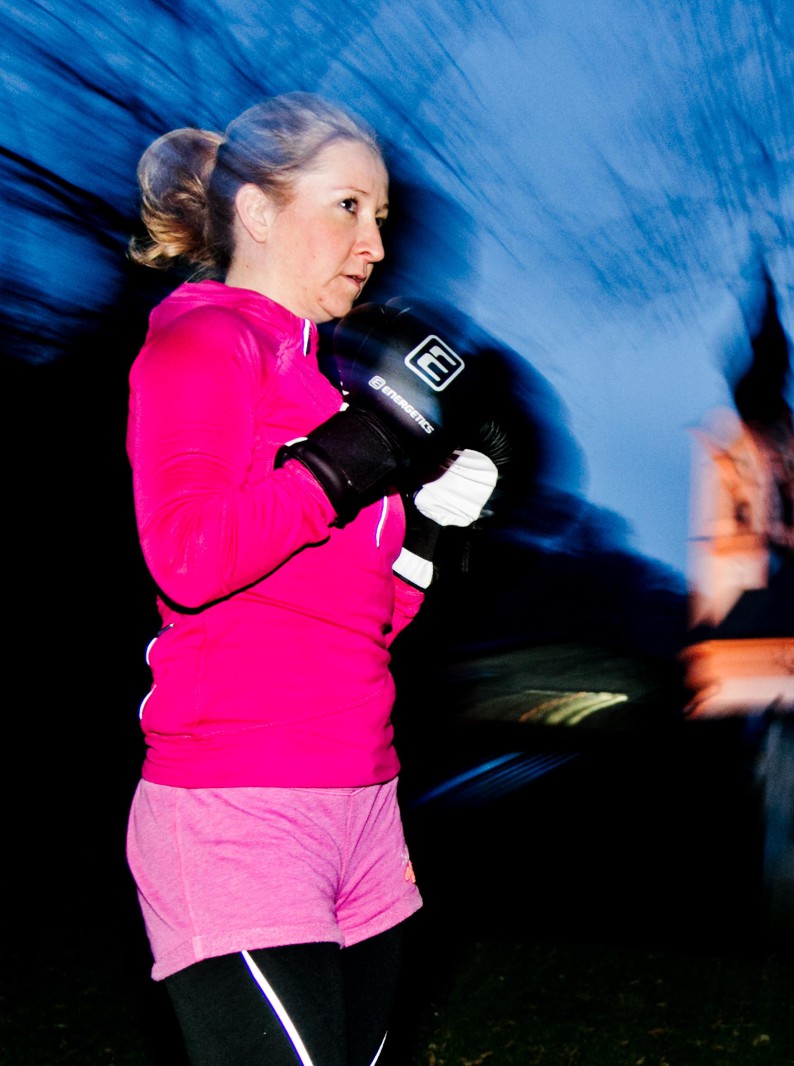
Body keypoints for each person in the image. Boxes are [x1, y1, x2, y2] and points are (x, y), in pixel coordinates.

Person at [124, 92, 499, 1065]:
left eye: (380, 217)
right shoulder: (203, 344)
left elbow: (367, 618)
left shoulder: (326, 390)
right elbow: (190, 555)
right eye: (347, 207)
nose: (372, 243)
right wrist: (358, 454)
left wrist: (426, 528)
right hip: (239, 806)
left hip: (365, 805)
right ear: (254, 210)